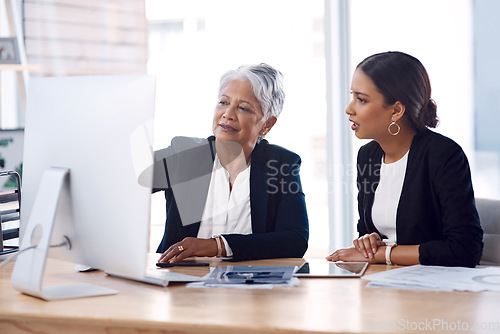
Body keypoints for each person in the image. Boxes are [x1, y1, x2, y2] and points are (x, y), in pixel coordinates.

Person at [326, 51, 483, 267]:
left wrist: (383, 254)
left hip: (432, 289)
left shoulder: (443, 155)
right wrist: (369, 241)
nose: (349, 109)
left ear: (396, 110)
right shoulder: (368, 156)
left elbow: (464, 250)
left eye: (361, 99)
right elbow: (368, 230)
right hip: (383, 281)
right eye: (352, 96)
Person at [151, 63, 309, 263]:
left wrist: (217, 245)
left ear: (267, 124)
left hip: (253, 287)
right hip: (181, 280)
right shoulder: (184, 154)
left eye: (243, 108)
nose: (228, 114)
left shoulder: (281, 164)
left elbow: (295, 240)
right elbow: (120, 179)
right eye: (223, 103)